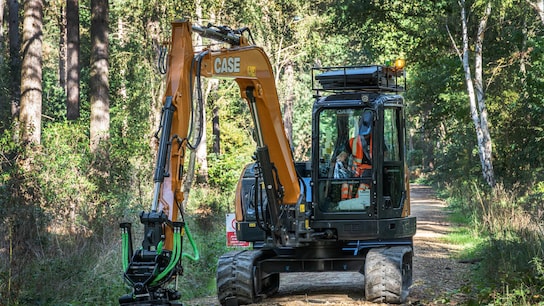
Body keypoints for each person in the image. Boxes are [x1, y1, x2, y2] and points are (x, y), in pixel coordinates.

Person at [349, 110, 373, 177]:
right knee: (346, 183)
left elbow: (385, 156)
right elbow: (344, 153)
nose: (364, 136)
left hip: (372, 172)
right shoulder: (353, 141)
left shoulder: (378, 141)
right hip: (356, 172)